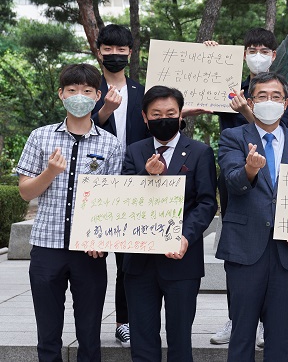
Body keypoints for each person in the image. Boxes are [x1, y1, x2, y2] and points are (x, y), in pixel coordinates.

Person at [17, 63, 123, 361]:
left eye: (87, 91)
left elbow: (113, 201)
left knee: (89, 334)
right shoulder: (40, 137)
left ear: (98, 96)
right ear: (61, 95)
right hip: (47, 247)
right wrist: (50, 172)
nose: (80, 96)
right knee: (48, 332)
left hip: (89, 250)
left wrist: (101, 240)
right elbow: (26, 191)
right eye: (73, 90)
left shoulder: (110, 144)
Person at [204, 28, 288, 347]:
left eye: (265, 50)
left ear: (274, 54)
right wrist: (212, 58)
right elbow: (198, 94)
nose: (258, 55)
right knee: (242, 250)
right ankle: (238, 317)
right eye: (252, 49)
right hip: (239, 177)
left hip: (276, 184)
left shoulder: (284, 91)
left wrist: (248, 111)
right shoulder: (230, 85)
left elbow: (284, 128)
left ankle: (263, 321)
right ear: (243, 55)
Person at [216, 72, 288, 362]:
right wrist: (249, 170)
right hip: (245, 249)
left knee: (280, 335)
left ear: (286, 104)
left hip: (287, 251)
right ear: (250, 101)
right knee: (242, 333)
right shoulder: (233, 137)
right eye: (261, 96)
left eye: (275, 97)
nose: (268, 102)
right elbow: (233, 183)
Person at [121, 85, 218, 362]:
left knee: (180, 339)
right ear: (144, 117)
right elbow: (121, 199)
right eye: (156, 114)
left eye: (170, 113)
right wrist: (145, 176)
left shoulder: (200, 152)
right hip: (139, 263)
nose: (163, 119)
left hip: (181, 261)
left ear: (180, 116)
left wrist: (186, 236)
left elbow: (207, 202)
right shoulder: (135, 151)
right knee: (142, 339)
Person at [91, 23, 147, 347]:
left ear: (130, 52)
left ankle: (124, 320)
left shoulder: (140, 91)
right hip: (98, 184)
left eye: (120, 49)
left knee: (129, 261)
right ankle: (89, 321)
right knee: (95, 259)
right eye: (108, 49)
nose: (114, 55)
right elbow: (77, 126)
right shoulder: (88, 88)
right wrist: (103, 112)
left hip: (135, 184)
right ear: (99, 52)